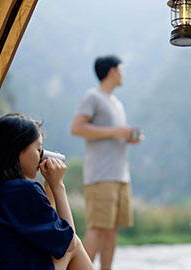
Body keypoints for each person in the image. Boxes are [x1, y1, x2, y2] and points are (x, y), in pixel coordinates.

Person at [0, 113, 93, 270]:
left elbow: (46, 233)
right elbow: (68, 243)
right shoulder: (24, 191)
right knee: (76, 246)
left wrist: (49, 190)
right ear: (18, 149)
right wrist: (58, 186)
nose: (41, 157)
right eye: (39, 149)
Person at [71, 55, 141, 270]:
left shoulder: (116, 103)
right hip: (100, 175)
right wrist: (114, 132)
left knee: (112, 229)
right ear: (112, 71)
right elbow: (77, 127)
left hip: (120, 174)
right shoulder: (93, 97)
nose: (123, 74)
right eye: (121, 69)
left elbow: (113, 134)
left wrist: (127, 136)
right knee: (98, 227)